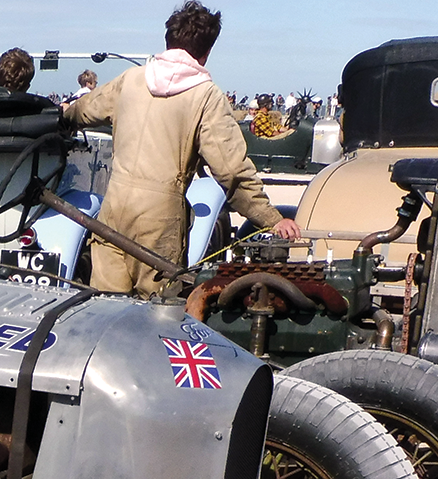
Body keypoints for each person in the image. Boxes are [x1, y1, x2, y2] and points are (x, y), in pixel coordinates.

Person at [62, 2, 298, 295]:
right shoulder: (206, 95)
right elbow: (231, 170)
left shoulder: (131, 79)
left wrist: (60, 117)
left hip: (114, 206)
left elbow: (83, 111)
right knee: (158, 315)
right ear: (207, 51)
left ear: (168, 40)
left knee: (105, 308)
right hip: (160, 218)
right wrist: (272, 219)